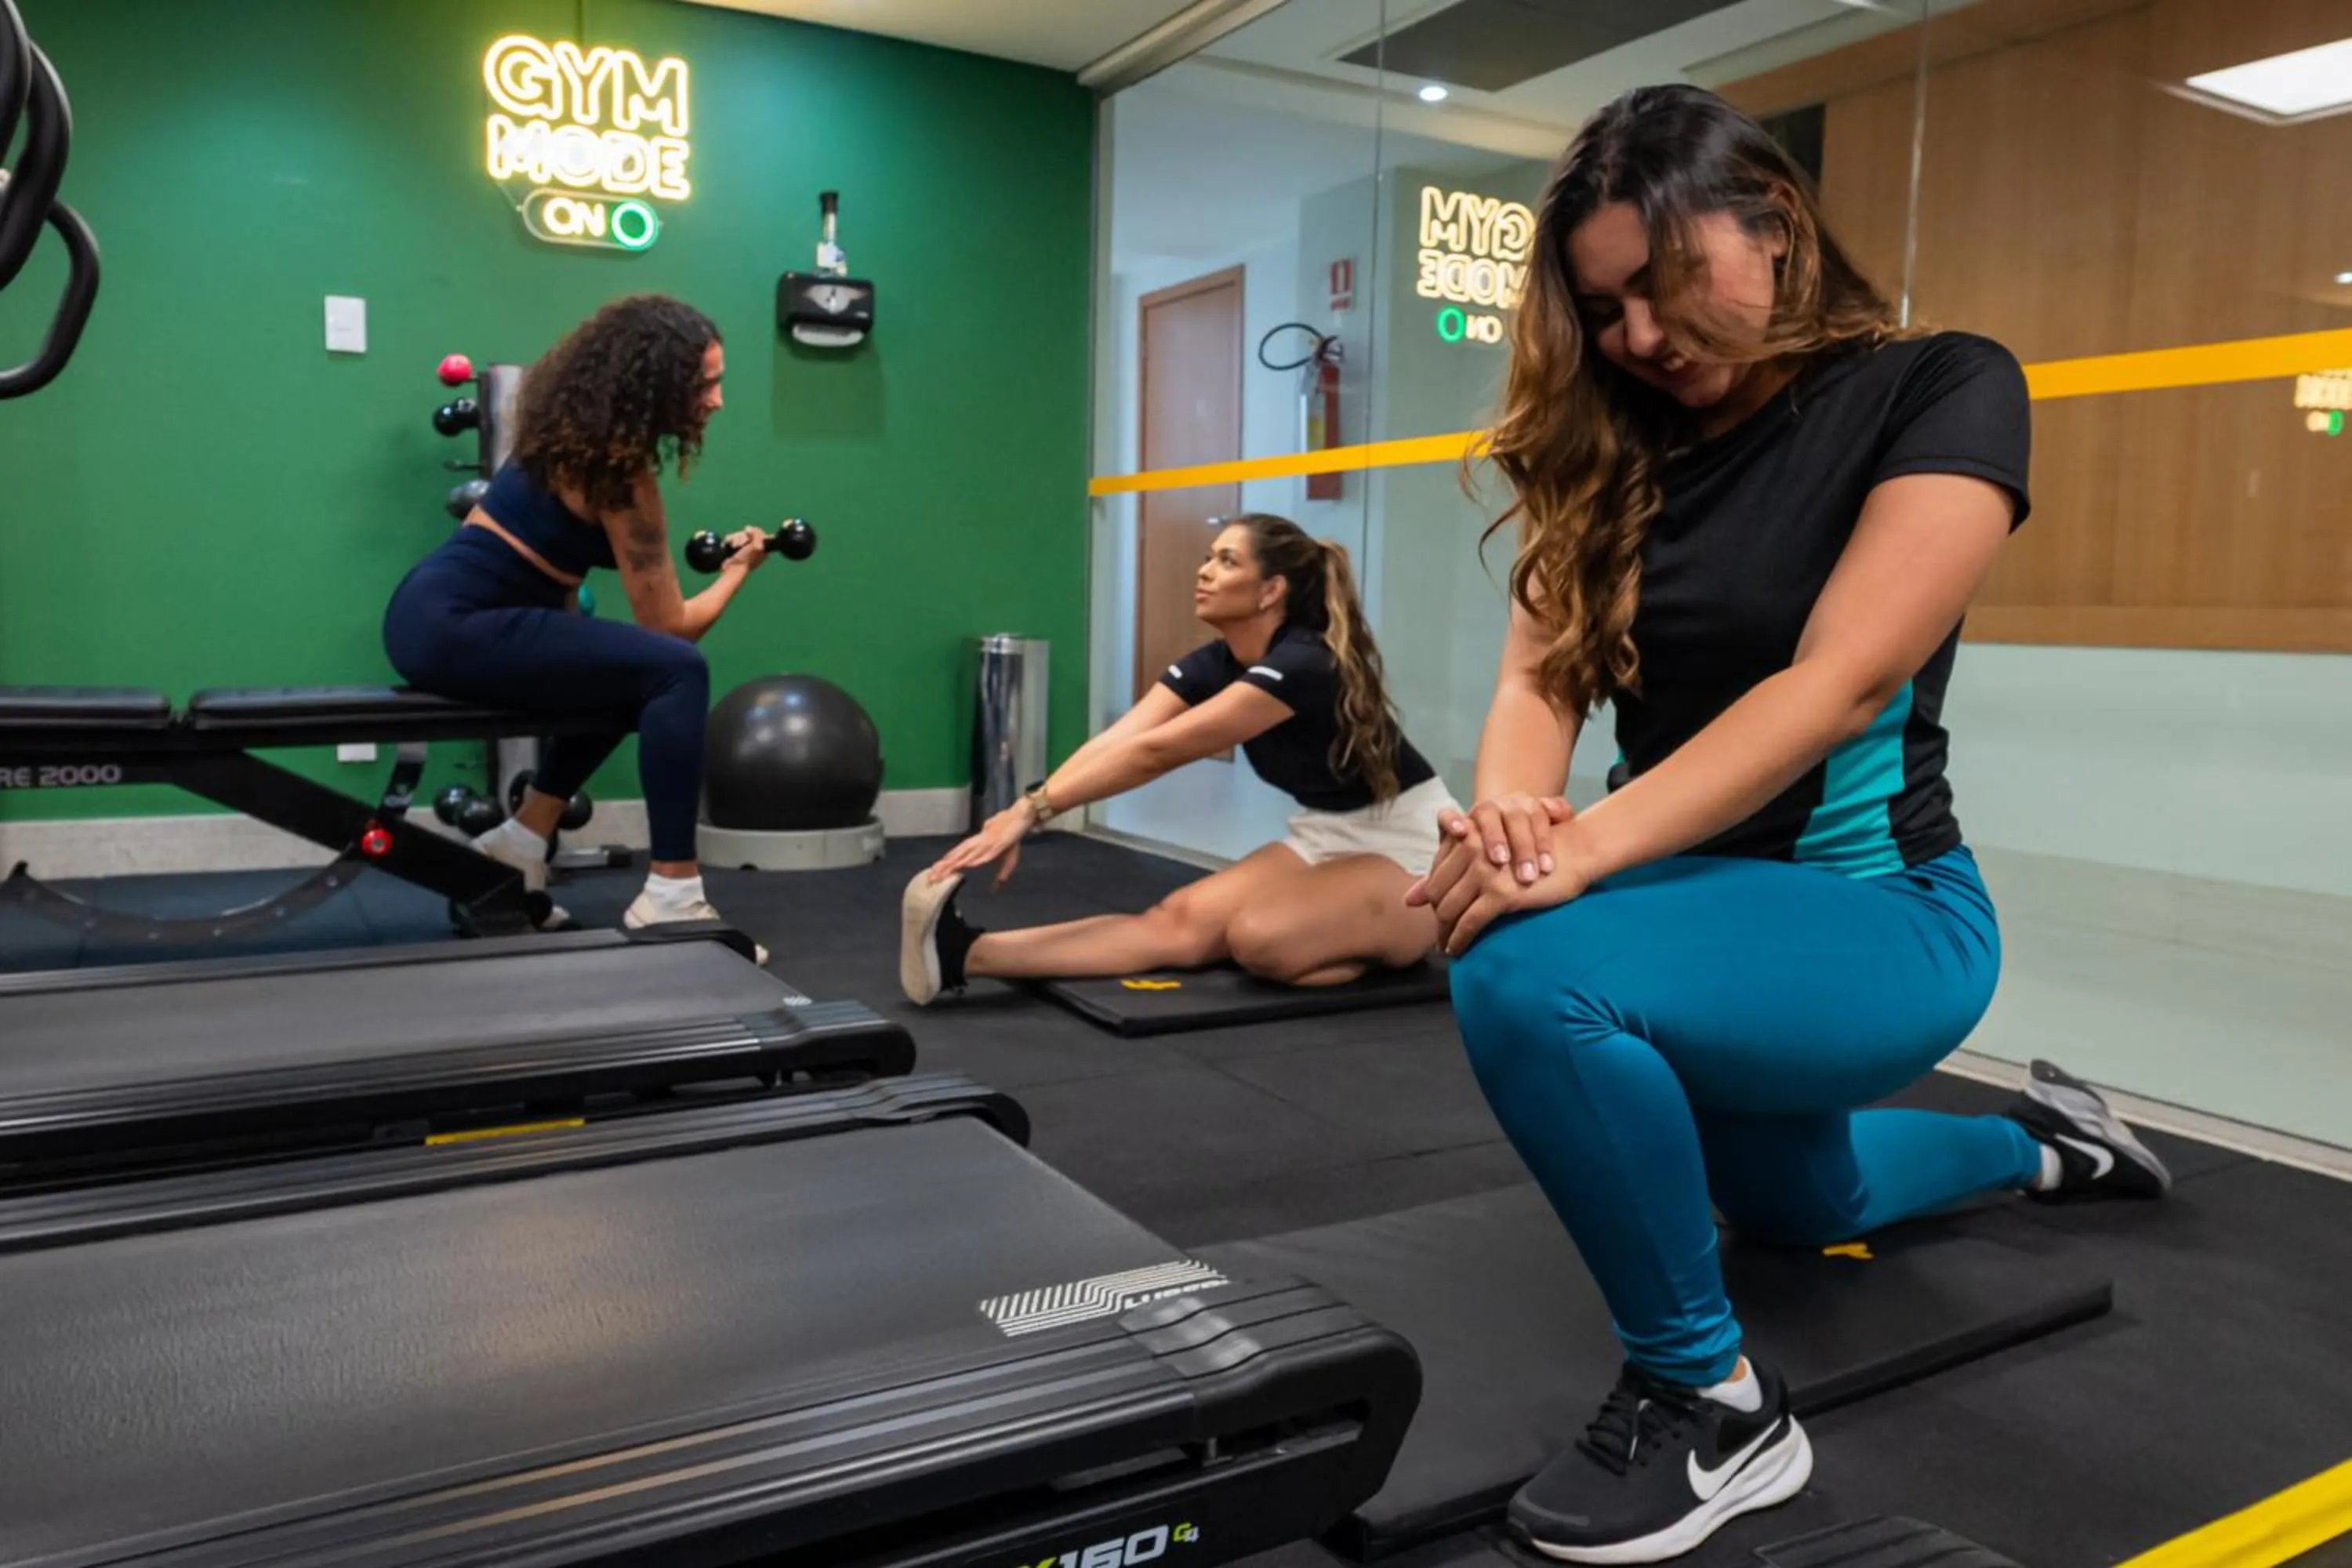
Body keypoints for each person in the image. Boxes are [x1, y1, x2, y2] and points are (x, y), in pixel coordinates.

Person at [1408, 86, 2172, 1563]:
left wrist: (1577, 853)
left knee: (1523, 969)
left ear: (1774, 224)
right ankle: (2043, 1145)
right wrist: (1513, 815)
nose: (1640, 336)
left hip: (1880, 914)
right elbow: (1534, 679)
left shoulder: (1940, 384)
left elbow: (1839, 684)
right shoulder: (1614, 443)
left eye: (1671, 283)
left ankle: (1715, 1403)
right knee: (1795, 1198)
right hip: (1709, 909)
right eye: (1607, 304)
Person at [899, 512, 1456, 1004]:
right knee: (1176, 923)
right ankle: (966, 955)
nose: (1204, 571)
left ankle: (1397, 938)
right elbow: (1123, 738)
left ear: (1270, 590)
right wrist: (1027, 807)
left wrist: (1031, 812)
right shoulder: (1216, 662)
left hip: (1414, 853)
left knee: (1258, 939)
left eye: (1226, 561)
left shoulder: (1304, 663)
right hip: (1327, 834)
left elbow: (1158, 752)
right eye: (1208, 557)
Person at [383, 294, 777, 952]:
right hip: (456, 623)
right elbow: (672, 632)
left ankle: (519, 841)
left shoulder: (563, 441)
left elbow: (558, 593)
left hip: (431, 614)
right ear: (652, 386)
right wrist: (739, 571)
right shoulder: (617, 473)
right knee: (676, 671)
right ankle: (672, 894)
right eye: (705, 384)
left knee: (629, 679)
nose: (716, 401)